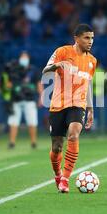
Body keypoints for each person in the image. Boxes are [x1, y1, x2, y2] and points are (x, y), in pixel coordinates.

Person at [42, 24, 97, 193]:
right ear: (77, 38)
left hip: (78, 105)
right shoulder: (62, 52)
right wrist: (57, 66)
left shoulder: (92, 61)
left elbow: (87, 84)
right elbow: (45, 70)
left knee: (73, 134)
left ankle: (65, 179)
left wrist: (90, 108)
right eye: (87, 38)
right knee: (57, 146)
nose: (90, 42)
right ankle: (58, 174)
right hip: (58, 105)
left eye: (92, 38)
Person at [6, 51, 43, 149]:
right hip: (16, 99)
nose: (24, 59)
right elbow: (8, 84)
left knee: (32, 121)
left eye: (25, 57)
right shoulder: (13, 70)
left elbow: (39, 84)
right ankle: (12, 142)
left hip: (29, 99)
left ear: (29, 59)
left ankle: (33, 142)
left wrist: (41, 97)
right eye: (22, 57)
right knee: (13, 122)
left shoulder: (34, 70)